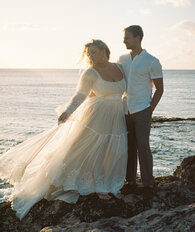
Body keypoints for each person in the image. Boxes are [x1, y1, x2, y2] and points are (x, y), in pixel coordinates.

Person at [0, 39, 128, 220]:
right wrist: (67, 111)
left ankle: (112, 184)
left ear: (104, 50)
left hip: (117, 116)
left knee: (115, 150)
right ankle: (99, 187)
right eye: (89, 53)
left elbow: (133, 87)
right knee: (94, 150)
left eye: (94, 51)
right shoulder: (90, 73)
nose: (91, 56)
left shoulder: (120, 67)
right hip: (97, 116)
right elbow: (80, 95)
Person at [118, 25, 164, 199]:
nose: (124, 41)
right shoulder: (121, 59)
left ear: (138, 38)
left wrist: (150, 109)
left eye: (127, 37)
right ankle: (130, 181)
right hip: (124, 109)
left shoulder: (152, 61)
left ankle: (148, 183)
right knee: (128, 146)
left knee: (143, 146)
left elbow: (159, 89)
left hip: (142, 109)